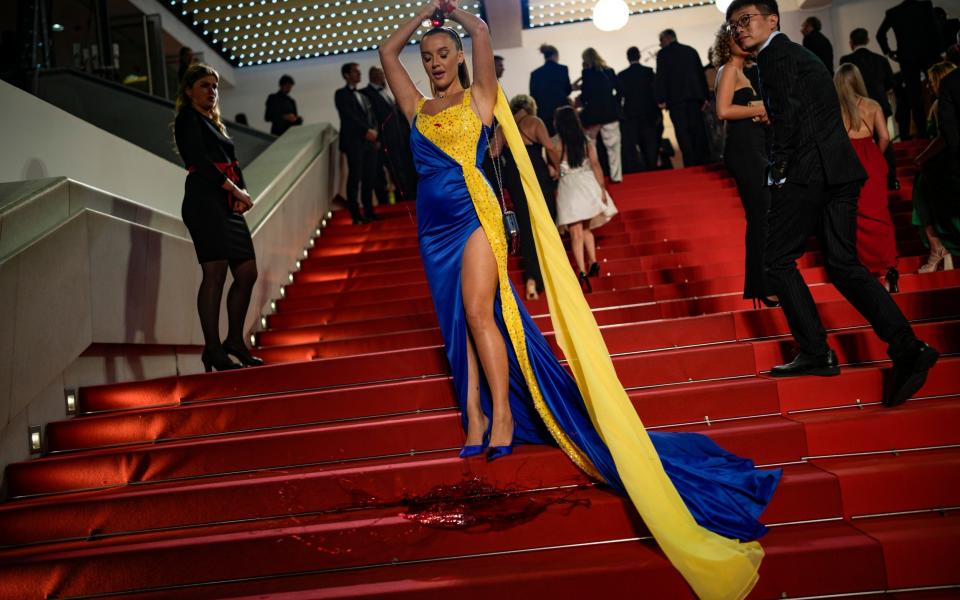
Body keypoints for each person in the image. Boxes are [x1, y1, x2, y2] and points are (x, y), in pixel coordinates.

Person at [380, 1, 780, 596]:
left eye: (445, 55)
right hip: (431, 229)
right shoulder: (417, 107)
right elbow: (388, 52)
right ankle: (477, 415)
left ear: (459, 58)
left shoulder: (479, 97)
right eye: (429, 57)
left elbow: (485, 32)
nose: (436, 63)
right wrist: (419, 23)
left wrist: (454, 14)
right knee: (455, 323)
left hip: (475, 217)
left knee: (475, 313)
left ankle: (503, 418)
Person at [727, 0, 939, 407]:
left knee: (776, 261)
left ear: (772, 19)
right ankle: (908, 348)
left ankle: (815, 351)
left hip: (808, 171)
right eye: (733, 25)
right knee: (844, 265)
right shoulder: (799, 53)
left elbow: (788, 119)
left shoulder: (773, 57)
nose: (739, 30)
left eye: (745, 20)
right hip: (838, 171)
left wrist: (779, 172)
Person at [174, 64, 263, 372]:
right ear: (188, 91)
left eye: (214, 86)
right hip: (203, 200)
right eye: (204, 85)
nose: (211, 91)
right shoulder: (187, 118)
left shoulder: (216, 124)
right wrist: (236, 190)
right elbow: (198, 160)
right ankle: (213, 349)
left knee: (247, 273)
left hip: (225, 202)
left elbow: (232, 163)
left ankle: (235, 341)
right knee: (215, 275)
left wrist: (242, 195)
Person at [712, 25, 776, 307]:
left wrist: (761, 112)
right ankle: (765, 285)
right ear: (726, 43)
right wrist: (759, 109)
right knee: (762, 215)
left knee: (764, 215)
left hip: (754, 147)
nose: (742, 39)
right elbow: (723, 111)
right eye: (735, 36)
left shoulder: (742, 71)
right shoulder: (728, 70)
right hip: (744, 150)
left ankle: (764, 284)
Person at [834, 63, 899, 291]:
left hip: (850, 162)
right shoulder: (873, 105)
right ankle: (890, 268)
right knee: (880, 215)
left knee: (858, 218)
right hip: (872, 161)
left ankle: (867, 269)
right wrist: (874, 157)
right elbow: (885, 138)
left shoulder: (837, 109)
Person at [493, 94, 560, 300]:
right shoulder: (535, 122)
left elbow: (492, 153)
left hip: (515, 179)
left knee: (526, 226)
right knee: (546, 223)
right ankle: (552, 276)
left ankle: (532, 279)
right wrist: (556, 168)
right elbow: (549, 148)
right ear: (530, 106)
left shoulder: (503, 126)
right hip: (537, 176)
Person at [554, 105, 618, 292]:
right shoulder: (586, 141)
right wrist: (602, 190)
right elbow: (596, 165)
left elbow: (555, 170)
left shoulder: (556, 144)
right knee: (587, 229)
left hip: (570, 188)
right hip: (587, 185)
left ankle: (581, 271)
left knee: (576, 233)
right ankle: (594, 262)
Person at [912, 61, 960, 271]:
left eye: (931, 81)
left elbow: (944, 138)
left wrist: (921, 158)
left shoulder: (942, 102)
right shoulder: (938, 103)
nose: (930, 86)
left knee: (921, 186)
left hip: (949, 160)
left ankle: (937, 247)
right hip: (946, 158)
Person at [840, 28, 898, 189]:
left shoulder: (846, 60)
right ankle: (891, 181)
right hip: (879, 104)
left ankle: (864, 176)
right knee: (884, 139)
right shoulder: (880, 60)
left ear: (851, 43)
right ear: (867, 40)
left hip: (855, 107)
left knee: (859, 143)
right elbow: (890, 84)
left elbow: (845, 84)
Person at [877, 0, 943, 139]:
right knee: (939, 90)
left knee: (915, 98)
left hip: (907, 58)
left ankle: (923, 134)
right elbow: (935, 29)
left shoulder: (893, 12)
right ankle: (941, 126)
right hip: (928, 55)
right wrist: (938, 51)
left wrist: (889, 52)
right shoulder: (925, 6)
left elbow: (880, 34)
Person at [655, 28, 711, 166]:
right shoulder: (690, 51)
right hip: (694, 100)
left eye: (661, 41)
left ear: (667, 39)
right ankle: (702, 161)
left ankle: (690, 163)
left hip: (675, 101)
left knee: (682, 133)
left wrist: (661, 99)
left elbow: (661, 78)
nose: (660, 45)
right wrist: (705, 97)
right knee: (697, 131)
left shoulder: (663, 54)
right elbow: (700, 75)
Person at [363, 65, 417, 203]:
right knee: (387, 173)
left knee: (402, 169)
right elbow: (372, 118)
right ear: (374, 75)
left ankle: (407, 197)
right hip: (383, 141)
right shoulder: (366, 93)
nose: (384, 76)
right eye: (382, 73)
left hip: (398, 139)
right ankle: (397, 200)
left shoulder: (386, 92)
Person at [335, 62, 380, 223]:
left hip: (369, 143)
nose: (358, 74)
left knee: (369, 178)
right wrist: (366, 131)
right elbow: (348, 117)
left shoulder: (363, 96)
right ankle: (355, 215)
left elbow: (372, 117)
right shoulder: (340, 94)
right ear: (346, 75)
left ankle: (369, 211)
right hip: (354, 142)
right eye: (355, 72)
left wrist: (375, 132)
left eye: (359, 71)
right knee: (355, 178)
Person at [576, 48, 622, 182]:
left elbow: (585, 96)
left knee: (592, 147)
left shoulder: (587, 74)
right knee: (613, 147)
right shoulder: (609, 71)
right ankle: (616, 176)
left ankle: (595, 177)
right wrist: (614, 103)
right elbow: (620, 89)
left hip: (593, 115)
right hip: (610, 113)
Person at [618, 46, 661, 172]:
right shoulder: (648, 72)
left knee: (634, 143)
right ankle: (651, 166)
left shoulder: (622, 75)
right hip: (648, 112)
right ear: (639, 56)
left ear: (628, 58)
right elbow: (655, 92)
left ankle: (639, 168)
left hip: (631, 114)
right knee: (650, 141)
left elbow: (620, 96)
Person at [530, 44, 572, 136]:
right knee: (566, 138)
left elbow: (533, 96)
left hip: (544, 113)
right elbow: (567, 90)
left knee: (550, 140)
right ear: (555, 55)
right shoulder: (563, 69)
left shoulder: (535, 74)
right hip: (562, 111)